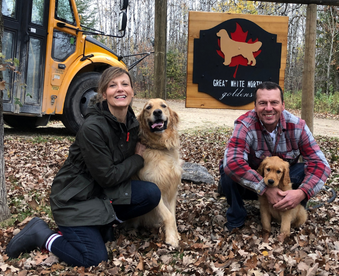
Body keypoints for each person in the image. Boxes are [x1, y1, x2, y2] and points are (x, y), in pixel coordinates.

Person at [6, 67, 161, 267]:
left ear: (132, 91)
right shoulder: (93, 127)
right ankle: (42, 234)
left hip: (101, 193)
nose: (120, 89)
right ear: (104, 94)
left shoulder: (131, 122)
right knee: (94, 259)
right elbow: (108, 176)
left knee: (150, 194)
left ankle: (102, 223)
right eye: (112, 86)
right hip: (74, 199)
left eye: (125, 84)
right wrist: (138, 158)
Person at [219, 81, 331, 232]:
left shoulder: (298, 126)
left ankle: (292, 206)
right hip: (251, 183)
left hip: (282, 179)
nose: (268, 108)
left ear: (283, 105)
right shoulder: (244, 125)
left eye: (274, 102)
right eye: (262, 103)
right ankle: (236, 218)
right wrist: (264, 188)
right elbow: (232, 162)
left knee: (306, 169)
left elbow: (321, 164)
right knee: (228, 173)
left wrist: (302, 193)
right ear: (255, 105)